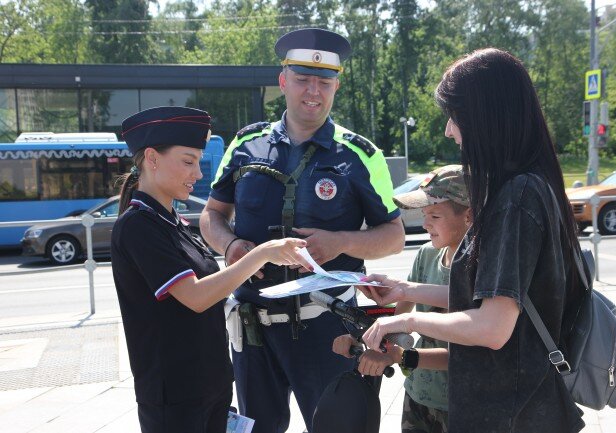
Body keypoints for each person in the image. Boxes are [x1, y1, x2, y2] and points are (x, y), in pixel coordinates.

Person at [360, 48, 586, 432]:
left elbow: (491, 328)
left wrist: (410, 318)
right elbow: (493, 300)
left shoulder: (516, 198)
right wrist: (404, 287)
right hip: (524, 407)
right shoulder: (536, 186)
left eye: (454, 116)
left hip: (509, 414)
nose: (449, 130)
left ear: (486, 116)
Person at [200, 28, 405, 433]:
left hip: (327, 327)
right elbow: (211, 215)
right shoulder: (245, 144)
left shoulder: (362, 155)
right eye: (302, 79)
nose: (314, 91)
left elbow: (395, 235)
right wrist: (232, 244)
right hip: (254, 326)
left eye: (324, 81)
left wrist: (342, 241)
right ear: (283, 82)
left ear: (336, 86)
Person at [111, 106, 311, 433]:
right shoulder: (138, 226)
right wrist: (262, 253)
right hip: (175, 399)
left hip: (209, 389)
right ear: (152, 158)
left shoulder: (173, 224)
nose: (198, 174)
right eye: (188, 162)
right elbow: (196, 297)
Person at [333, 165, 471, 433]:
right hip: (419, 395)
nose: (425, 223)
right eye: (423, 214)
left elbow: (467, 355)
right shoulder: (426, 255)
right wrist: (362, 340)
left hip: (464, 404)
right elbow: (397, 323)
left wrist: (399, 356)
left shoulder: (483, 268)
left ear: (469, 215)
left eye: (434, 215)